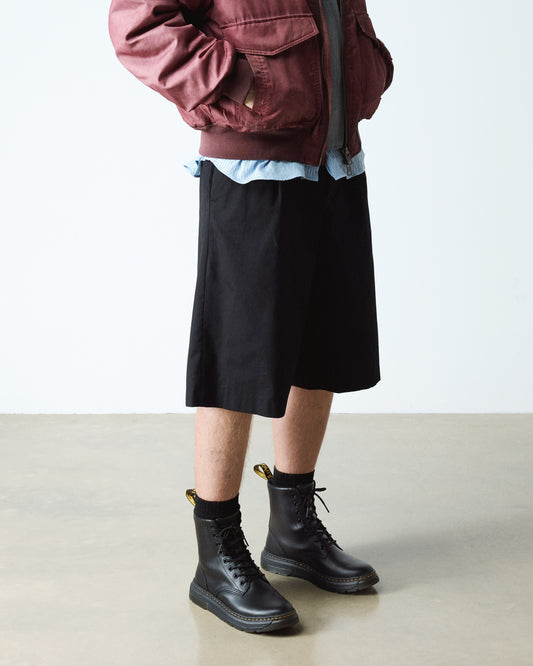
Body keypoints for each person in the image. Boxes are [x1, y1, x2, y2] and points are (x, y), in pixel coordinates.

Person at [108, 0, 394, 633]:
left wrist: (365, 65)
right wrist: (240, 82)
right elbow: (138, 24)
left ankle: (294, 532)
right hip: (251, 162)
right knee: (238, 354)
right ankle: (217, 556)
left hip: (335, 153)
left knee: (321, 346)